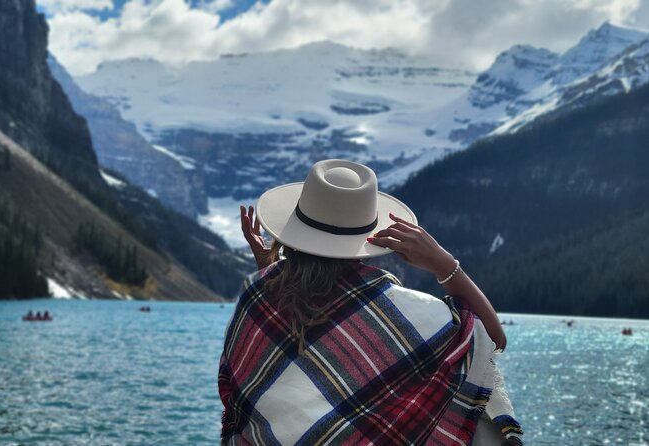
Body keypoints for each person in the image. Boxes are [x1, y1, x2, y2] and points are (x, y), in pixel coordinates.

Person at [218, 159, 523, 445]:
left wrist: (269, 272)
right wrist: (444, 264)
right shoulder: (410, 312)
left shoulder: (257, 292)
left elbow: (266, 391)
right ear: (367, 236)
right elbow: (490, 342)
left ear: (295, 229)